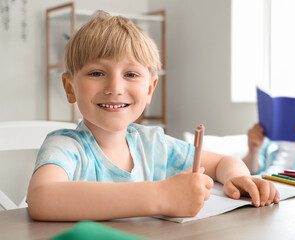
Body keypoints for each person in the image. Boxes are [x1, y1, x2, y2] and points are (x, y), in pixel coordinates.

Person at [26, 11, 279, 221]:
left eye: (131, 74)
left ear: (149, 89)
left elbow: (223, 162)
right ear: (70, 87)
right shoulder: (66, 146)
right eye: (96, 73)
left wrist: (238, 178)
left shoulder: (154, 145)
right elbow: (42, 198)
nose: (114, 87)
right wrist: (161, 196)